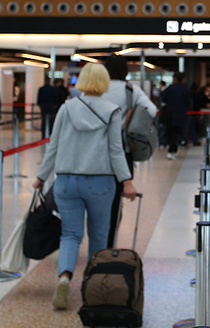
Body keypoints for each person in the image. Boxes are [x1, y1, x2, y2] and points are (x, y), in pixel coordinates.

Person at [32, 63, 137, 310]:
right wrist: (127, 180)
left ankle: (64, 279)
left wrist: (41, 176)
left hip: (66, 181)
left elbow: (53, 146)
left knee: (70, 233)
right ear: (104, 83)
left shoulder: (66, 108)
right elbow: (115, 150)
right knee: (99, 234)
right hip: (100, 182)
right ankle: (93, 285)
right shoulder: (112, 111)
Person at [101, 54, 157, 247]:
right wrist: (130, 118)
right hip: (122, 150)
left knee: (96, 199)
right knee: (116, 201)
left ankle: (95, 242)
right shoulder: (131, 90)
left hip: (96, 152)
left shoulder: (97, 89)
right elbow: (151, 109)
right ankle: (109, 244)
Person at [160, 72, 192, 160]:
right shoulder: (185, 89)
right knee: (178, 133)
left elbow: (163, 98)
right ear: (183, 79)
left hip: (170, 114)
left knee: (171, 133)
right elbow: (188, 103)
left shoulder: (170, 88)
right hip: (181, 115)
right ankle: (173, 149)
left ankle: (172, 149)